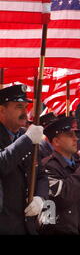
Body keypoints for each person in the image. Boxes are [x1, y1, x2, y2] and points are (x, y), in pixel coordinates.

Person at [40, 117, 80, 235]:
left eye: (75, 134)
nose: (76, 138)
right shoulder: (48, 166)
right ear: (56, 141)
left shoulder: (79, 165)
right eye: (69, 135)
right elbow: (62, 196)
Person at [0, 84, 48, 235]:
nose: (24, 112)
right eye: (19, 106)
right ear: (1, 110)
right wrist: (27, 140)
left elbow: (41, 175)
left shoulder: (25, 136)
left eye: (26, 107)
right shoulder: (27, 138)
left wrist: (40, 197)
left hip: (27, 225)